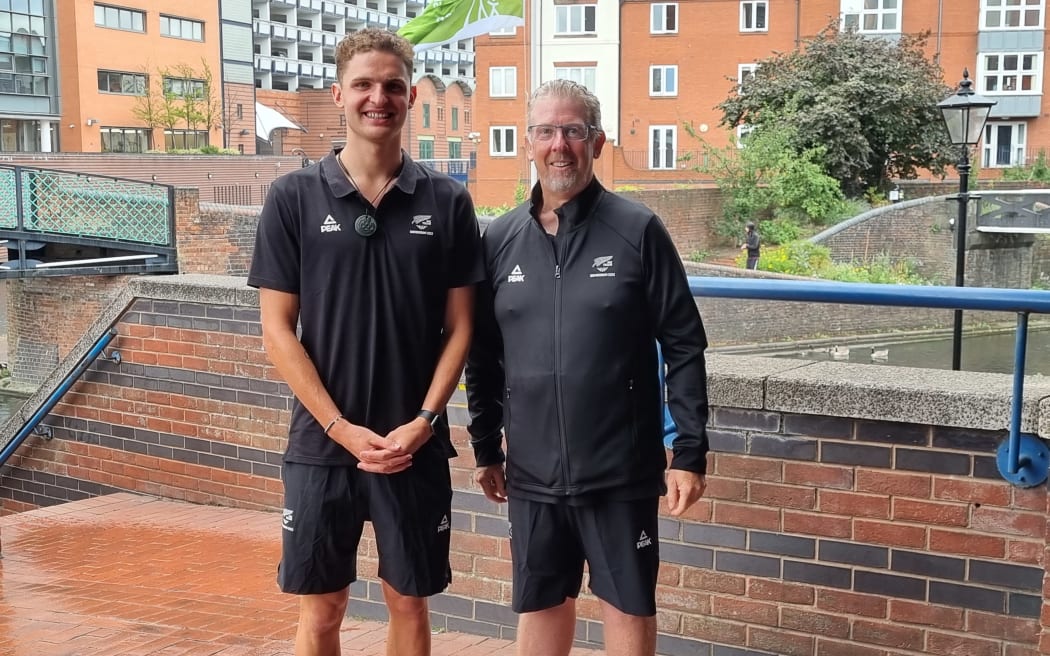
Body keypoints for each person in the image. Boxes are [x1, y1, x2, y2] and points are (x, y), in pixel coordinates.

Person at [247, 28, 483, 656]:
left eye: (393, 86)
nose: (379, 97)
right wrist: (338, 427)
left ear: (409, 98)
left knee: (410, 603)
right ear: (339, 94)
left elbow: (461, 326)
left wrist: (427, 420)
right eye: (364, 85)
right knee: (322, 611)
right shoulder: (292, 198)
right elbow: (277, 330)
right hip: (323, 447)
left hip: (415, 445)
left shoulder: (449, 201)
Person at [464, 79, 710, 656]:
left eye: (573, 131)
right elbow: (483, 355)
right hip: (533, 473)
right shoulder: (499, 239)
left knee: (627, 608)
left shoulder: (637, 229)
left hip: (620, 471)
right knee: (542, 605)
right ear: (527, 143)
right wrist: (485, 448)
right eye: (546, 131)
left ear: (596, 143)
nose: (559, 145)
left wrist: (690, 452)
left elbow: (684, 343)